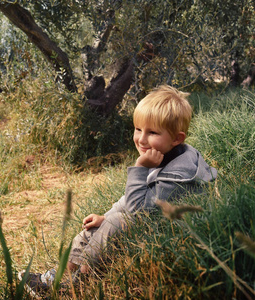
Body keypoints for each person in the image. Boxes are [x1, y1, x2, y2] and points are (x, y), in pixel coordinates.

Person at [19, 85, 217, 296]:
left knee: (115, 224)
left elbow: (137, 210)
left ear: (177, 138)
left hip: (170, 234)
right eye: (138, 129)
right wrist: (105, 216)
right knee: (97, 227)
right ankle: (56, 277)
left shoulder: (178, 175)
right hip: (150, 219)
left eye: (152, 132)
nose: (141, 139)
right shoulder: (164, 154)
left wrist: (140, 169)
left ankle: (78, 285)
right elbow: (130, 198)